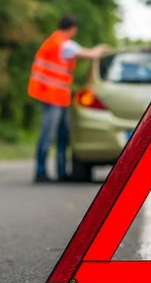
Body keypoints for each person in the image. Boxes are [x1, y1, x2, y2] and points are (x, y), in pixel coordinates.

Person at [27, 13, 110, 183]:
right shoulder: (65, 45)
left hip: (54, 96)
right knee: (49, 135)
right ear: (73, 29)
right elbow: (91, 54)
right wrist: (102, 49)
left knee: (63, 133)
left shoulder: (54, 41)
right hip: (52, 97)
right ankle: (41, 172)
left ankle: (61, 171)